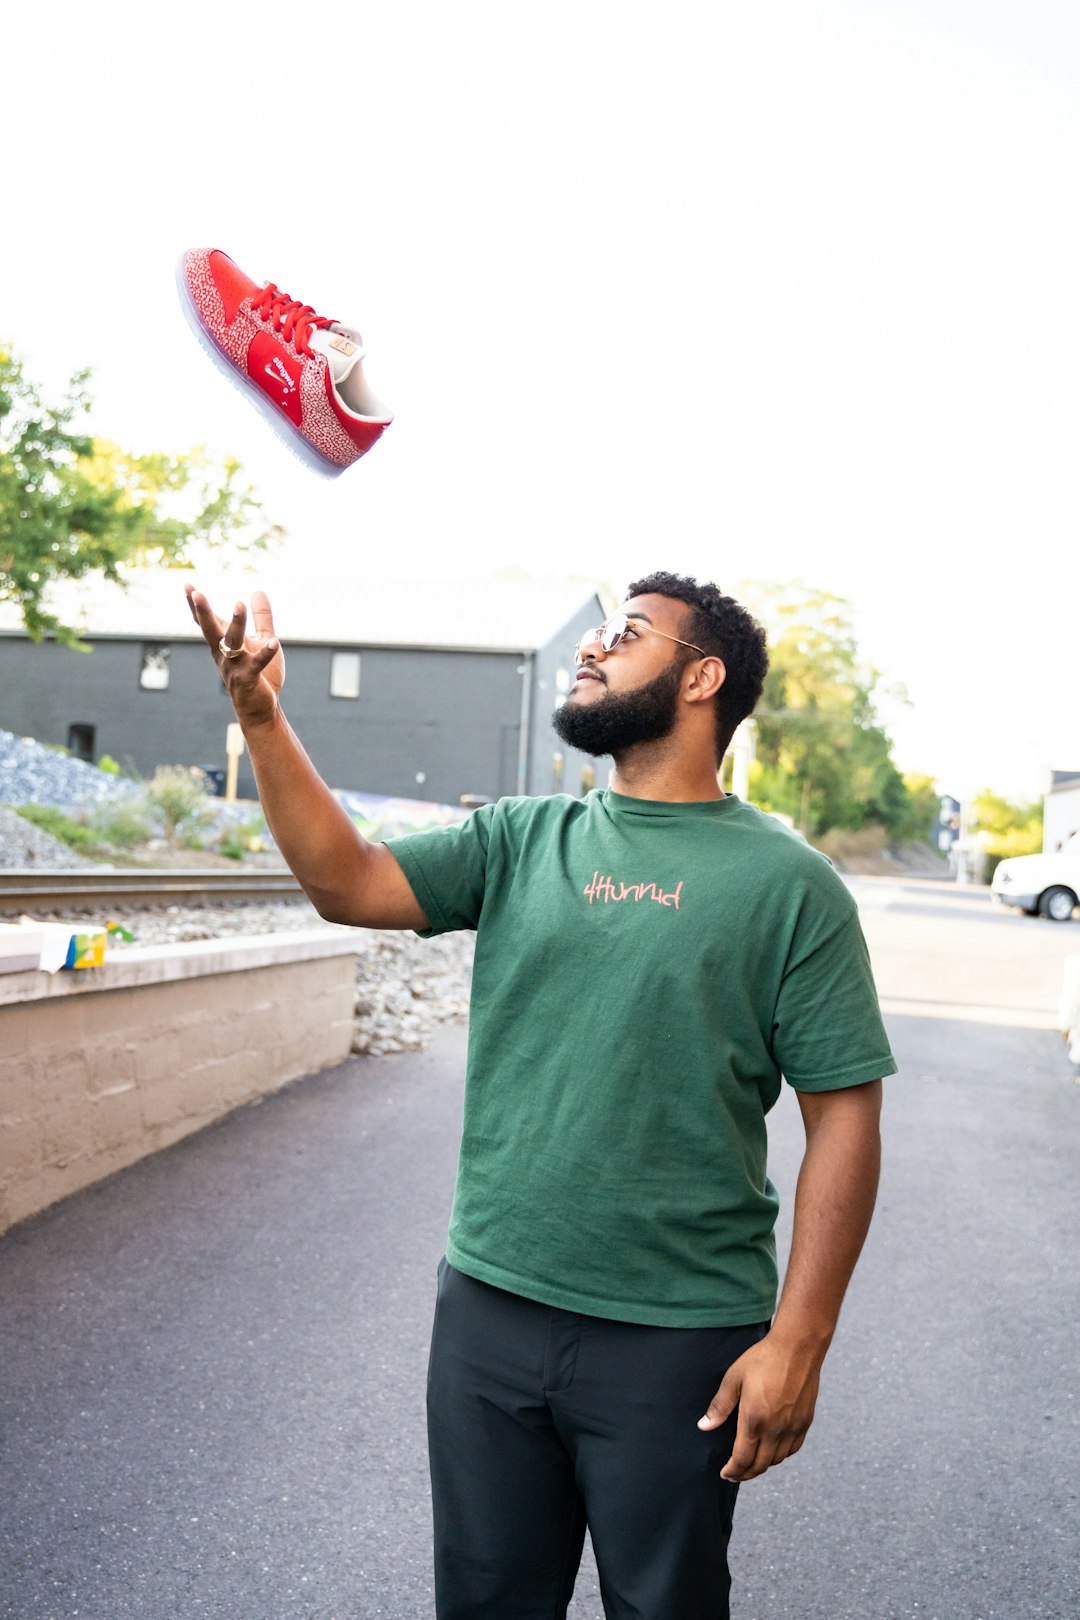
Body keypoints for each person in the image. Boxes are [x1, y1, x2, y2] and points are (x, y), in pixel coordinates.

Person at [185, 570, 896, 1620]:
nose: (592, 649)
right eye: (599, 632)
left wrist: (800, 1341)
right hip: (488, 1308)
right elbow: (349, 883)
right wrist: (260, 714)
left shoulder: (791, 888)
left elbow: (845, 1118)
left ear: (703, 679)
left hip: (680, 1337)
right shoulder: (522, 840)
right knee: (484, 1603)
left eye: (629, 634)